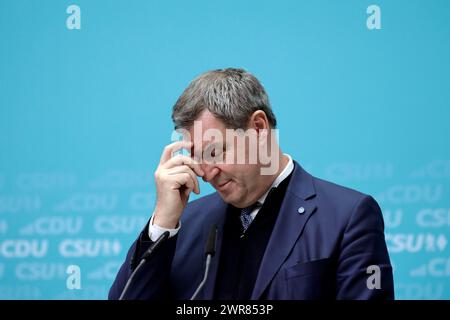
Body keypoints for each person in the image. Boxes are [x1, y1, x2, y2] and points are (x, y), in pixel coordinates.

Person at [109, 68, 394, 300]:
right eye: (196, 157)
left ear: (258, 128)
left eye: (214, 151)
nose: (206, 173)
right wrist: (163, 224)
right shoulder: (187, 222)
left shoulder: (348, 216)